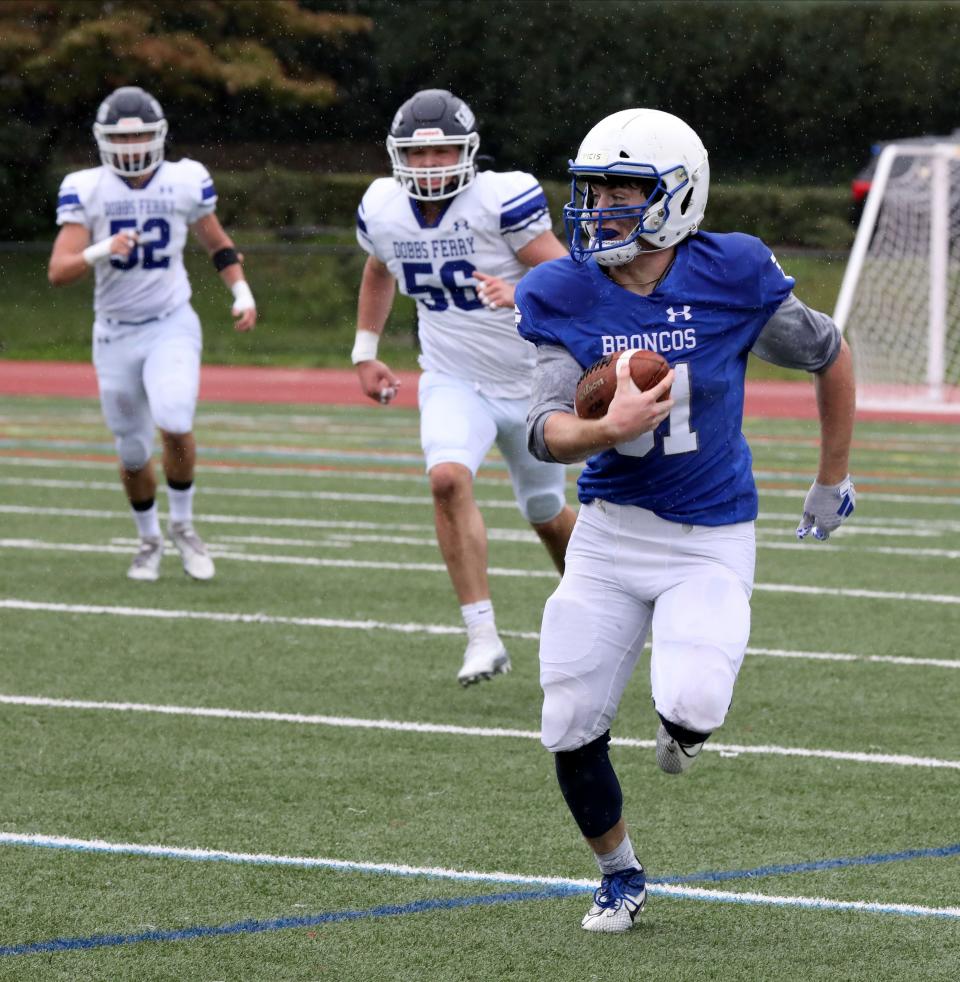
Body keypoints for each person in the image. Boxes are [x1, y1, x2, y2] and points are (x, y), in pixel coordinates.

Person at [515, 109, 857, 932]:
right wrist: (603, 430)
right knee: (566, 719)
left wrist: (831, 478)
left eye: (623, 192)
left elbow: (828, 350)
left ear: (678, 196)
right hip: (609, 530)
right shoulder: (562, 288)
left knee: (695, 703)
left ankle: (681, 730)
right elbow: (545, 427)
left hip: (709, 537)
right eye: (594, 192)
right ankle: (620, 874)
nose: (599, 209)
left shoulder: (732, 271)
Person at [352, 88, 577, 686]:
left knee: (546, 511)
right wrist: (365, 351)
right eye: (418, 156)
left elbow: (568, 276)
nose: (429, 167)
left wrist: (523, 292)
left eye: (443, 152)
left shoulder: (500, 200)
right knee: (447, 478)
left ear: (468, 151)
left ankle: (594, 604)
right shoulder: (382, 208)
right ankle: (482, 636)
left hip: (532, 381)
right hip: (454, 379)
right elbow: (379, 269)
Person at [48, 86, 256, 582]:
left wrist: (242, 291)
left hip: (170, 323)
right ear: (100, 141)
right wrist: (103, 250)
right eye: (123, 136)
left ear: (159, 135)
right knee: (132, 450)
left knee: (175, 417)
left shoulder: (184, 181)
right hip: (115, 333)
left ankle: (183, 527)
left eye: (141, 134)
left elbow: (218, 244)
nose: (132, 145)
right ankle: (148, 539)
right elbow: (59, 270)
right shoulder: (87, 187)